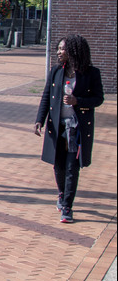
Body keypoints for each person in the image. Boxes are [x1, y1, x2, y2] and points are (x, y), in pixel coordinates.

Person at [35, 36, 104, 223]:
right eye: (57, 48)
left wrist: (78, 101)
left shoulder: (91, 74)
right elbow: (46, 96)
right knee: (58, 165)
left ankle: (67, 206)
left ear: (73, 51)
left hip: (77, 129)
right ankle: (61, 193)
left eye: (62, 49)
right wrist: (39, 120)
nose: (58, 52)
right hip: (57, 127)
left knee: (72, 167)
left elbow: (99, 99)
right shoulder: (56, 71)